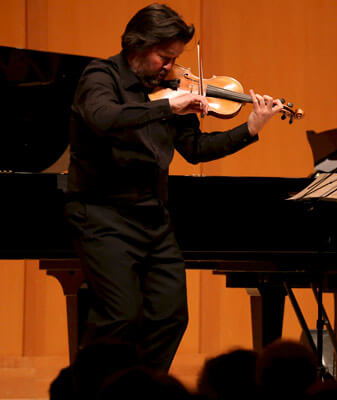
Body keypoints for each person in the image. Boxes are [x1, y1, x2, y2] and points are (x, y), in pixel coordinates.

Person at [64, 3, 284, 372]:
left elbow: (195, 150)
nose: (170, 68)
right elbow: (104, 118)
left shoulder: (169, 89)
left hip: (152, 216)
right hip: (102, 214)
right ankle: (92, 390)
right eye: (164, 58)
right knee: (121, 316)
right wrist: (167, 106)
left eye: (175, 59)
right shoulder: (100, 76)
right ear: (137, 45)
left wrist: (250, 128)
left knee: (170, 316)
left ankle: (142, 391)